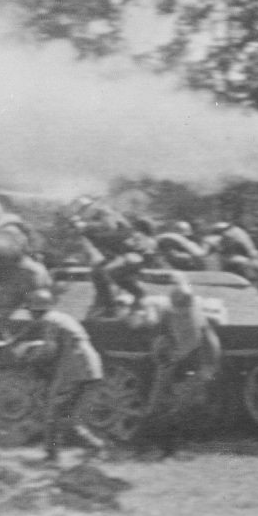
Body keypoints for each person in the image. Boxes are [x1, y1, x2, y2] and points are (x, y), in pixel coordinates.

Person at [11, 288, 106, 463]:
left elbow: (49, 350)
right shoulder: (61, 318)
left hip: (74, 369)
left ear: (35, 310)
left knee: (54, 411)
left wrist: (26, 357)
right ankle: (95, 448)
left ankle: (53, 455)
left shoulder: (49, 321)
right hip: (90, 366)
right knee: (68, 416)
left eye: (31, 310)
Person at [138, 276, 222, 457]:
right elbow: (159, 330)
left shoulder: (197, 317)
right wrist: (161, 349)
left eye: (184, 308)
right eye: (178, 308)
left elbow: (211, 342)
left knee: (176, 406)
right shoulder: (169, 311)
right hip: (171, 361)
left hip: (191, 364)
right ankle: (146, 445)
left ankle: (169, 449)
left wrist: (209, 368)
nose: (181, 313)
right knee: (157, 405)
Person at [0, 200, 52, 341]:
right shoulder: (12, 227)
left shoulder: (8, 229)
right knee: (39, 319)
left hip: (23, 277)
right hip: (31, 275)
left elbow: (10, 252)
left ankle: (5, 354)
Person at [69, 196, 155, 317]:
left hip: (135, 251)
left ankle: (129, 299)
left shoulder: (105, 213)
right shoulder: (97, 218)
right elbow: (105, 242)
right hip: (126, 252)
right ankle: (107, 304)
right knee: (98, 272)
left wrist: (85, 228)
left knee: (106, 272)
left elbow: (110, 231)